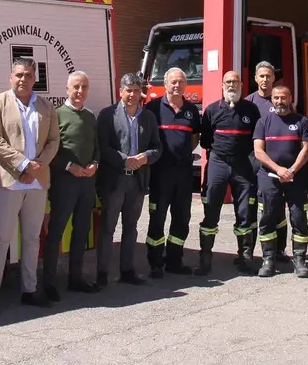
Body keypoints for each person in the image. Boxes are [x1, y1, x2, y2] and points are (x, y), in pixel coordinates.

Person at [0, 57, 61, 317]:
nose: (22, 79)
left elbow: (54, 140)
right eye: (18, 74)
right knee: (0, 240)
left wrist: (38, 167)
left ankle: (29, 291)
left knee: (31, 239)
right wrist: (25, 165)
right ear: (10, 77)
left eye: (27, 74)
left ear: (35, 77)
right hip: (7, 181)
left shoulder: (45, 106)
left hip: (37, 183)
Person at [95, 72, 162, 286]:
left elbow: (157, 147)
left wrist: (146, 157)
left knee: (131, 227)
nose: (132, 94)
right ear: (120, 91)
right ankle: (102, 272)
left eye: (135, 91)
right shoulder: (108, 115)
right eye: (128, 90)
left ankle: (127, 270)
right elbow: (102, 147)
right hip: (115, 180)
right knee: (107, 227)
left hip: (137, 181)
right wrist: (124, 160)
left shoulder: (148, 117)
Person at [42, 71, 101, 301]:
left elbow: (96, 147)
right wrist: (69, 167)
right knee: (55, 232)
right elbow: (49, 151)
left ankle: (75, 278)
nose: (80, 91)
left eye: (84, 87)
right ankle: (48, 283)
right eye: (76, 87)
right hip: (64, 183)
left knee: (81, 232)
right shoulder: (56, 115)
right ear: (67, 89)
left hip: (87, 183)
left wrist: (95, 163)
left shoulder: (90, 116)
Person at [196, 70, 262, 276]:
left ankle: (244, 258)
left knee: (244, 213)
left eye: (235, 82)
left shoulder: (251, 110)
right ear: (222, 85)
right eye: (228, 82)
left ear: (242, 84)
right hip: (218, 163)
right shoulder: (212, 110)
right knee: (211, 211)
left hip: (243, 166)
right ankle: (205, 259)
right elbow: (205, 140)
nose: (232, 85)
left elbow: (256, 139)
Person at [143, 67, 201, 278]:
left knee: (181, 218)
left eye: (180, 82)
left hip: (183, 174)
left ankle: (174, 260)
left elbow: (194, 138)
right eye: (173, 82)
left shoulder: (191, 111)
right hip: (160, 174)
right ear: (165, 84)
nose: (177, 86)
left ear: (185, 85)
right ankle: (155, 263)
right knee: (157, 218)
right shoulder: (153, 108)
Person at [252, 84, 308, 278]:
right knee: (267, 218)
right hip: (269, 178)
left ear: (290, 98)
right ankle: (268, 260)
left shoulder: (302, 121)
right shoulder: (263, 122)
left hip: (296, 178)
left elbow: (306, 149)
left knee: (298, 219)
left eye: (283, 98)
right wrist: (278, 169)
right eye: (276, 98)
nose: (280, 101)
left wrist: (291, 170)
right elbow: (258, 151)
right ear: (272, 100)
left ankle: (300, 260)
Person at [245, 60, 289, 262]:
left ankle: (279, 250)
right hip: (253, 165)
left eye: (268, 76)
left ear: (274, 78)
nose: (265, 79)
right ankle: (249, 252)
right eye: (261, 76)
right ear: (255, 79)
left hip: (277, 167)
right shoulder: (247, 103)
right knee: (251, 209)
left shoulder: (281, 101)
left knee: (277, 209)